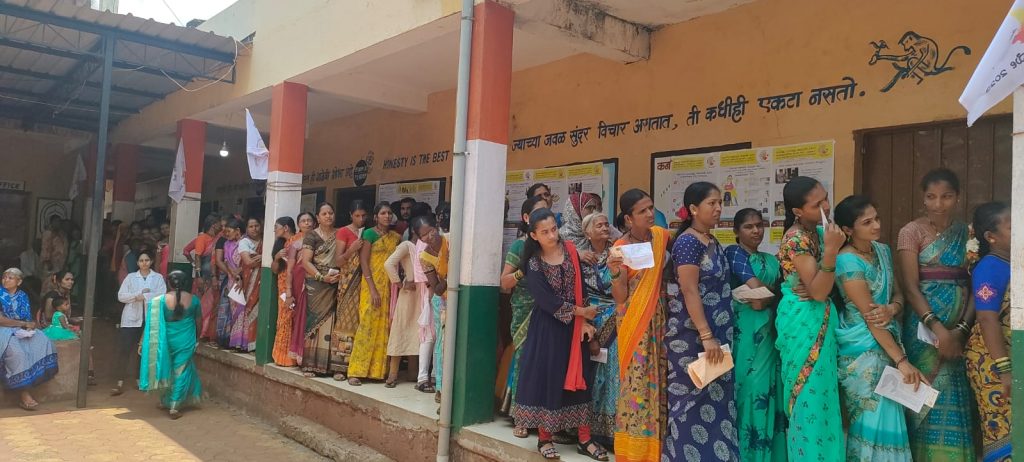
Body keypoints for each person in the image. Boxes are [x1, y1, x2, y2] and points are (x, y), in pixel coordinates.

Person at [512, 208, 607, 461]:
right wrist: (581, 312)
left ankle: (584, 439)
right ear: (534, 235)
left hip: (575, 328)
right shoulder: (533, 263)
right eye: (545, 232)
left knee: (580, 378)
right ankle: (545, 438)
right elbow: (547, 301)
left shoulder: (571, 251)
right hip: (548, 329)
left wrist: (585, 322)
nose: (552, 235)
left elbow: (581, 288)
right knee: (550, 378)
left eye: (554, 228)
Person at [896, 169, 975, 461]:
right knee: (924, 397)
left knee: (953, 396)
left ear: (958, 198)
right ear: (923, 198)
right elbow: (910, 286)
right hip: (922, 331)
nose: (938, 204)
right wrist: (939, 329)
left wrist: (961, 330)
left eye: (946, 196)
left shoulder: (967, 234)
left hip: (959, 331)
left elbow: (975, 284)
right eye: (931, 197)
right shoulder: (911, 232)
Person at [832, 195, 919, 461]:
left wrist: (892, 308)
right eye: (867, 222)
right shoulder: (846, 261)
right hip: (862, 351)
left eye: (876, 218)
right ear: (848, 230)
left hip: (888, 342)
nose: (876, 225)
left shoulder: (882, 250)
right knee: (870, 416)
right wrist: (902, 361)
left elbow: (898, 294)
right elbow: (871, 317)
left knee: (890, 414)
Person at [664, 182, 738, 461]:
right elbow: (689, 290)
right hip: (693, 337)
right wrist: (706, 335)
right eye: (712, 203)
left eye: (720, 202)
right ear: (694, 209)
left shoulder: (712, 241)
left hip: (719, 335)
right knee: (691, 405)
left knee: (718, 401)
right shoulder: (687, 242)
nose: (718, 208)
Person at [774, 176, 845, 460]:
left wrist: (819, 280)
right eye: (817, 204)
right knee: (808, 399)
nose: (826, 206)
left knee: (824, 398)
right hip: (803, 321)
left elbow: (820, 286)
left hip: (819, 318)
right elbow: (817, 291)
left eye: (826, 198)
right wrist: (831, 251)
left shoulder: (817, 231)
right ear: (797, 211)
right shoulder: (796, 239)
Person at [607, 188, 670, 462]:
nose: (649, 214)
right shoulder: (620, 248)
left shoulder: (661, 237)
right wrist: (614, 271)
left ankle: (660, 449)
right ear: (628, 218)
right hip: (635, 324)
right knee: (638, 385)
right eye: (642, 211)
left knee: (661, 381)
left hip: (661, 321)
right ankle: (635, 452)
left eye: (651, 208)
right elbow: (621, 297)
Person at [724, 208, 787, 462]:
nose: (756, 231)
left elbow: (773, 294)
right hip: (745, 332)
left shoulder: (772, 260)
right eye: (748, 226)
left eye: (759, 225)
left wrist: (767, 295)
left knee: (771, 388)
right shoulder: (734, 253)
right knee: (748, 387)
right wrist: (768, 294)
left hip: (770, 330)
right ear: (736, 231)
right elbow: (757, 289)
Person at [964, 201, 1012, 462]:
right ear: (991, 237)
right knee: (1002, 430)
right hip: (992, 363)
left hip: (1010, 359)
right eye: (1012, 226)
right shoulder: (990, 267)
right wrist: (1004, 369)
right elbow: (986, 318)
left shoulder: (1012, 263)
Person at [498, 196, 549, 437]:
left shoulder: (555, 246)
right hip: (525, 310)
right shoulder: (519, 247)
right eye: (539, 213)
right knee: (525, 361)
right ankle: (522, 417)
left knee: (547, 363)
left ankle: (547, 420)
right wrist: (522, 272)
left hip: (550, 311)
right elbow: (505, 282)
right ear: (527, 219)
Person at [139, 270, 202, 419]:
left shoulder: (160, 301)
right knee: (181, 371)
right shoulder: (194, 300)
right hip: (186, 340)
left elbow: (151, 325)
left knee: (167, 367)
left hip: (166, 340)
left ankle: (166, 400)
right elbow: (199, 322)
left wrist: (141, 342)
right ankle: (174, 404)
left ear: (169, 283)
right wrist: (197, 338)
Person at [348, 202, 399, 386]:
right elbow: (364, 261)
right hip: (371, 285)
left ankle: (377, 372)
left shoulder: (395, 237)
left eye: (389, 213)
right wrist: (372, 288)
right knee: (367, 326)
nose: (387, 216)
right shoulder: (369, 234)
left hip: (389, 286)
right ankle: (356, 371)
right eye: (383, 213)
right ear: (376, 217)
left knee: (384, 327)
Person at [579, 211, 618, 446]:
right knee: (589, 373)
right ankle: (584, 429)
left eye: (606, 224)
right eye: (599, 225)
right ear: (587, 233)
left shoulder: (617, 253)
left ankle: (610, 430)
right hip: (589, 320)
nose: (604, 228)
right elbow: (577, 292)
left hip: (615, 319)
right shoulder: (579, 257)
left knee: (612, 372)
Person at [0, 268, 57, 410]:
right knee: (18, 354)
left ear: (19, 282)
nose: (6, 280)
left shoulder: (22, 295)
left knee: (42, 340)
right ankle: (24, 394)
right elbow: (1, 320)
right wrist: (22, 324)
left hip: (20, 329)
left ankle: (30, 381)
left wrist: (29, 326)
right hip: (3, 329)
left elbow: (27, 317)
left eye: (10, 278)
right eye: (4, 277)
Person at [384, 216, 430, 388]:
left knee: (418, 333)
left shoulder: (428, 248)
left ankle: (413, 373)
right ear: (415, 231)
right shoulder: (407, 246)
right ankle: (393, 374)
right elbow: (388, 264)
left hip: (423, 294)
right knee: (401, 330)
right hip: (409, 294)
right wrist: (400, 283)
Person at [113, 250, 166, 396]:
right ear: (137, 263)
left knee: (143, 351)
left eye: (147, 260)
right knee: (125, 350)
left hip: (149, 320)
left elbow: (162, 295)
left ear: (151, 262)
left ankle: (140, 379)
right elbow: (121, 296)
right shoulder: (131, 277)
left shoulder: (158, 278)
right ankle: (119, 381)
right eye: (141, 261)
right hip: (130, 320)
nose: (144, 263)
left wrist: (145, 296)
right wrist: (138, 296)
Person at [299, 204, 343, 376]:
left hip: (336, 282)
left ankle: (333, 366)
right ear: (318, 217)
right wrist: (321, 277)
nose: (328, 216)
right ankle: (311, 364)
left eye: (331, 213)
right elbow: (305, 262)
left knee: (334, 322)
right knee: (315, 321)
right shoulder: (312, 235)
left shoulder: (340, 233)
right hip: (317, 284)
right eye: (324, 214)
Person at [418, 214, 448, 398]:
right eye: (424, 235)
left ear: (436, 227)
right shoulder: (424, 257)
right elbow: (436, 288)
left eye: (430, 231)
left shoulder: (450, 242)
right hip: (442, 300)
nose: (429, 237)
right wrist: (448, 277)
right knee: (442, 344)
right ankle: (441, 388)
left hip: (458, 297)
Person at [184, 215, 223, 342]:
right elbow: (197, 257)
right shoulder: (202, 238)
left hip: (213, 276)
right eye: (219, 223)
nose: (221, 226)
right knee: (202, 306)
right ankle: (199, 332)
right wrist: (198, 275)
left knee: (211, 305)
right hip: (204, 278)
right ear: (213, 225)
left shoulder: (217, 238)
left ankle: (206, 332)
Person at [270, 216, 300, 367]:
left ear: (286, 228)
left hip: (296, 285)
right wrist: (276, 258)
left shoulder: (299, 240)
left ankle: (293, 357)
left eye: (276, 227)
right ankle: (282, 356)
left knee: (295, 318)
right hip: (283, 288)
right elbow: (275, 270)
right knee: (284, 319)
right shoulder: (280, 245)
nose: (275, 230)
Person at [232, 217, 263, 352]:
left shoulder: (266, 241)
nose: (254, 229)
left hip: (262, 281)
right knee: (246, 309)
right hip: (247, 282)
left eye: (257, 225)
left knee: (259, 310)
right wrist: (264, 257)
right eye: (251, 226)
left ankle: (254, 343)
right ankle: (243, 342)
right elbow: (248, 262)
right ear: (246, 229)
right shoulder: (244, 242)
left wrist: (261, 257)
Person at [216, 218, 244, 348]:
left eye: (229, 231)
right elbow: (226, 261)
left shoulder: (245, 242)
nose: (226, 234)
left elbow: (249, 260)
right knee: (232, 310)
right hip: (232, 279)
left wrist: (240, 272)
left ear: (237, 230)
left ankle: (240, 342)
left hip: (244, 279)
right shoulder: (227, 244)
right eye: (225, 231)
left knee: (242, 310)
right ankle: (231, 340)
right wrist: (233, 273)